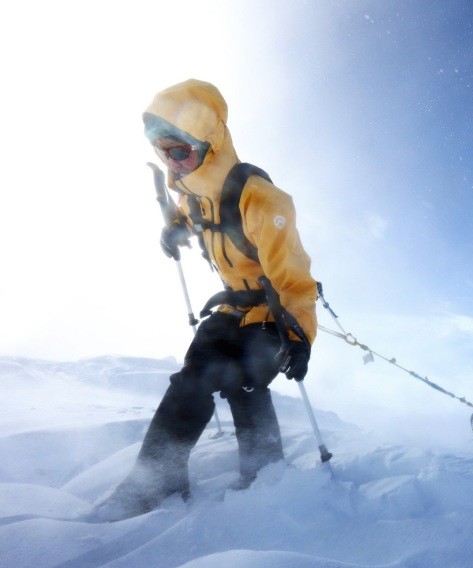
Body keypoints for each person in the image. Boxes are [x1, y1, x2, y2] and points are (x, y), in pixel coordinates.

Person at [98, 80, 317, 518]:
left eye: (180, 151)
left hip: (272, 308)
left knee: (247, 378)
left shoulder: (263, 201)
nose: (172, 162)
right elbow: (191, 211)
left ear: (209, 145)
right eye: (163, 152)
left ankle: (265, 475)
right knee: (192, 378)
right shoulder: (193, 192)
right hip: (231, 305)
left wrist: (299, 338)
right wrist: (175, 228)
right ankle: (155, 482)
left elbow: (294, 281)